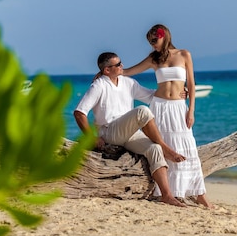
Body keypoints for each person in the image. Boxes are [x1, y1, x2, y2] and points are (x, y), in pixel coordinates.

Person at [74, 52, 187, 207]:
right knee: (142, 111)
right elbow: (79, 112)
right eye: (118, 64)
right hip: (109, 132)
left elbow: (153, 97)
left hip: (129, 133)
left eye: (121, 62)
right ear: (107, 70)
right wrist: (92, 137)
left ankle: (167, 195)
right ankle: (165, 147)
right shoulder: (98, 85)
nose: (122, 66)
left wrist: (178, 93)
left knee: (154, 149)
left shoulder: (128, 83)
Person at [123, 24, 213, 208]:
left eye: (155, 40)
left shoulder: (184, 54)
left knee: (188, 146)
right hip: (160, 106)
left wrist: (191, 109)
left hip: (179, 107)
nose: (153, 44)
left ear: (165, 36)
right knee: (163, 146)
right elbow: (129, 72)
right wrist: (107, 71)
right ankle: (169, 192)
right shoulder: (153, 59)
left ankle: (199, 194)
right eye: (150, 42)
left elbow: (192, 84)